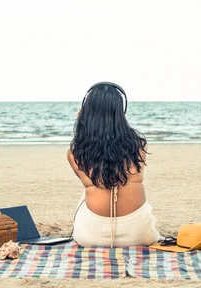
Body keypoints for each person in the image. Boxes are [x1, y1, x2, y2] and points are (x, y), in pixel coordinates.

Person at [67, 82, 161, 248]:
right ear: (121, 113)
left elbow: (100, 176)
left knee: (89, 191)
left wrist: (81, 122)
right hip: (139, 235)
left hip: (91, 238)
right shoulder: (139, 145)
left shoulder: (74, 153)